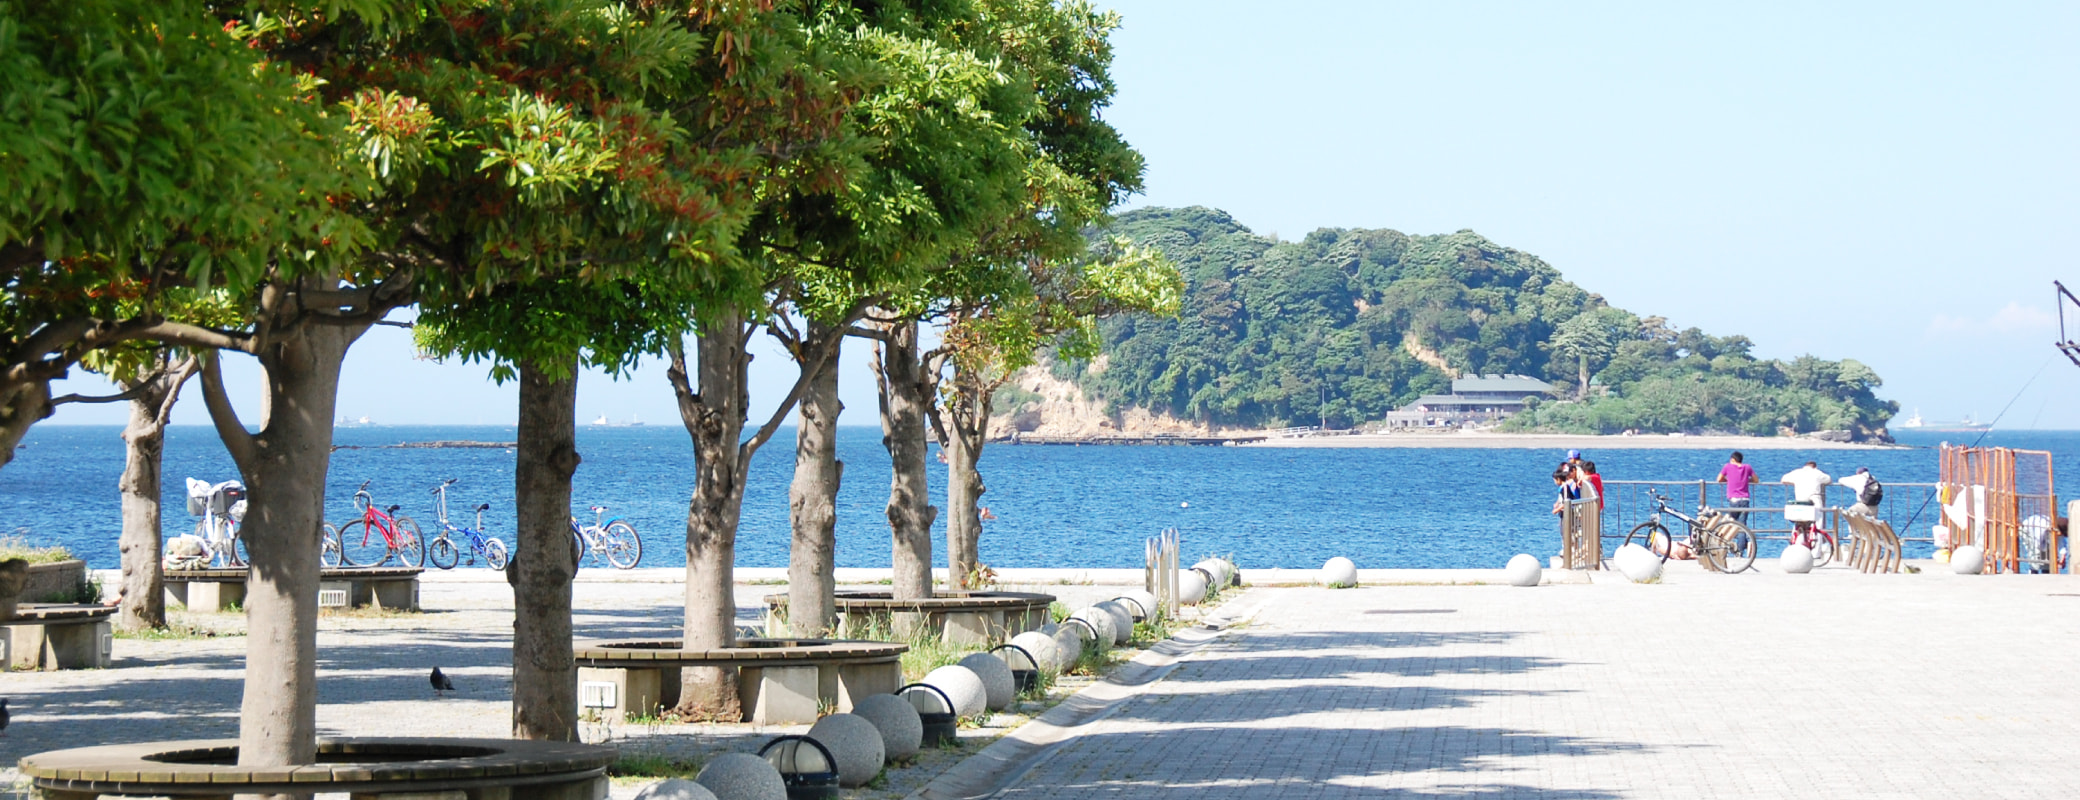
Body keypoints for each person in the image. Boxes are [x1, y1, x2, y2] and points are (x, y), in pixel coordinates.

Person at [1781, 461, 1833, 535]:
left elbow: (1783, 479)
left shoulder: (1797, 472)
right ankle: (1818, 533)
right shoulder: (1817, 473)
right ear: (1815, 467)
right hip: (1814, 499)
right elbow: (1829, 479)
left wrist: (1794, 483)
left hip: (1800, 500)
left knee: (1799, 520)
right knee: (1819, 517)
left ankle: (1795, 534)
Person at [1715, 451, 1758, 523]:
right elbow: (1756, 480)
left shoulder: (1728, 466)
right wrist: (1746, 481)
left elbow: (1719, 479)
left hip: (1734, 499)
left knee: (1732, 523)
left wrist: (1728, 480)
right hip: (1745, 499)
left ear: (1733, 459)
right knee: (1742, 525)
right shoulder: (1747, 467)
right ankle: (1742, 534)